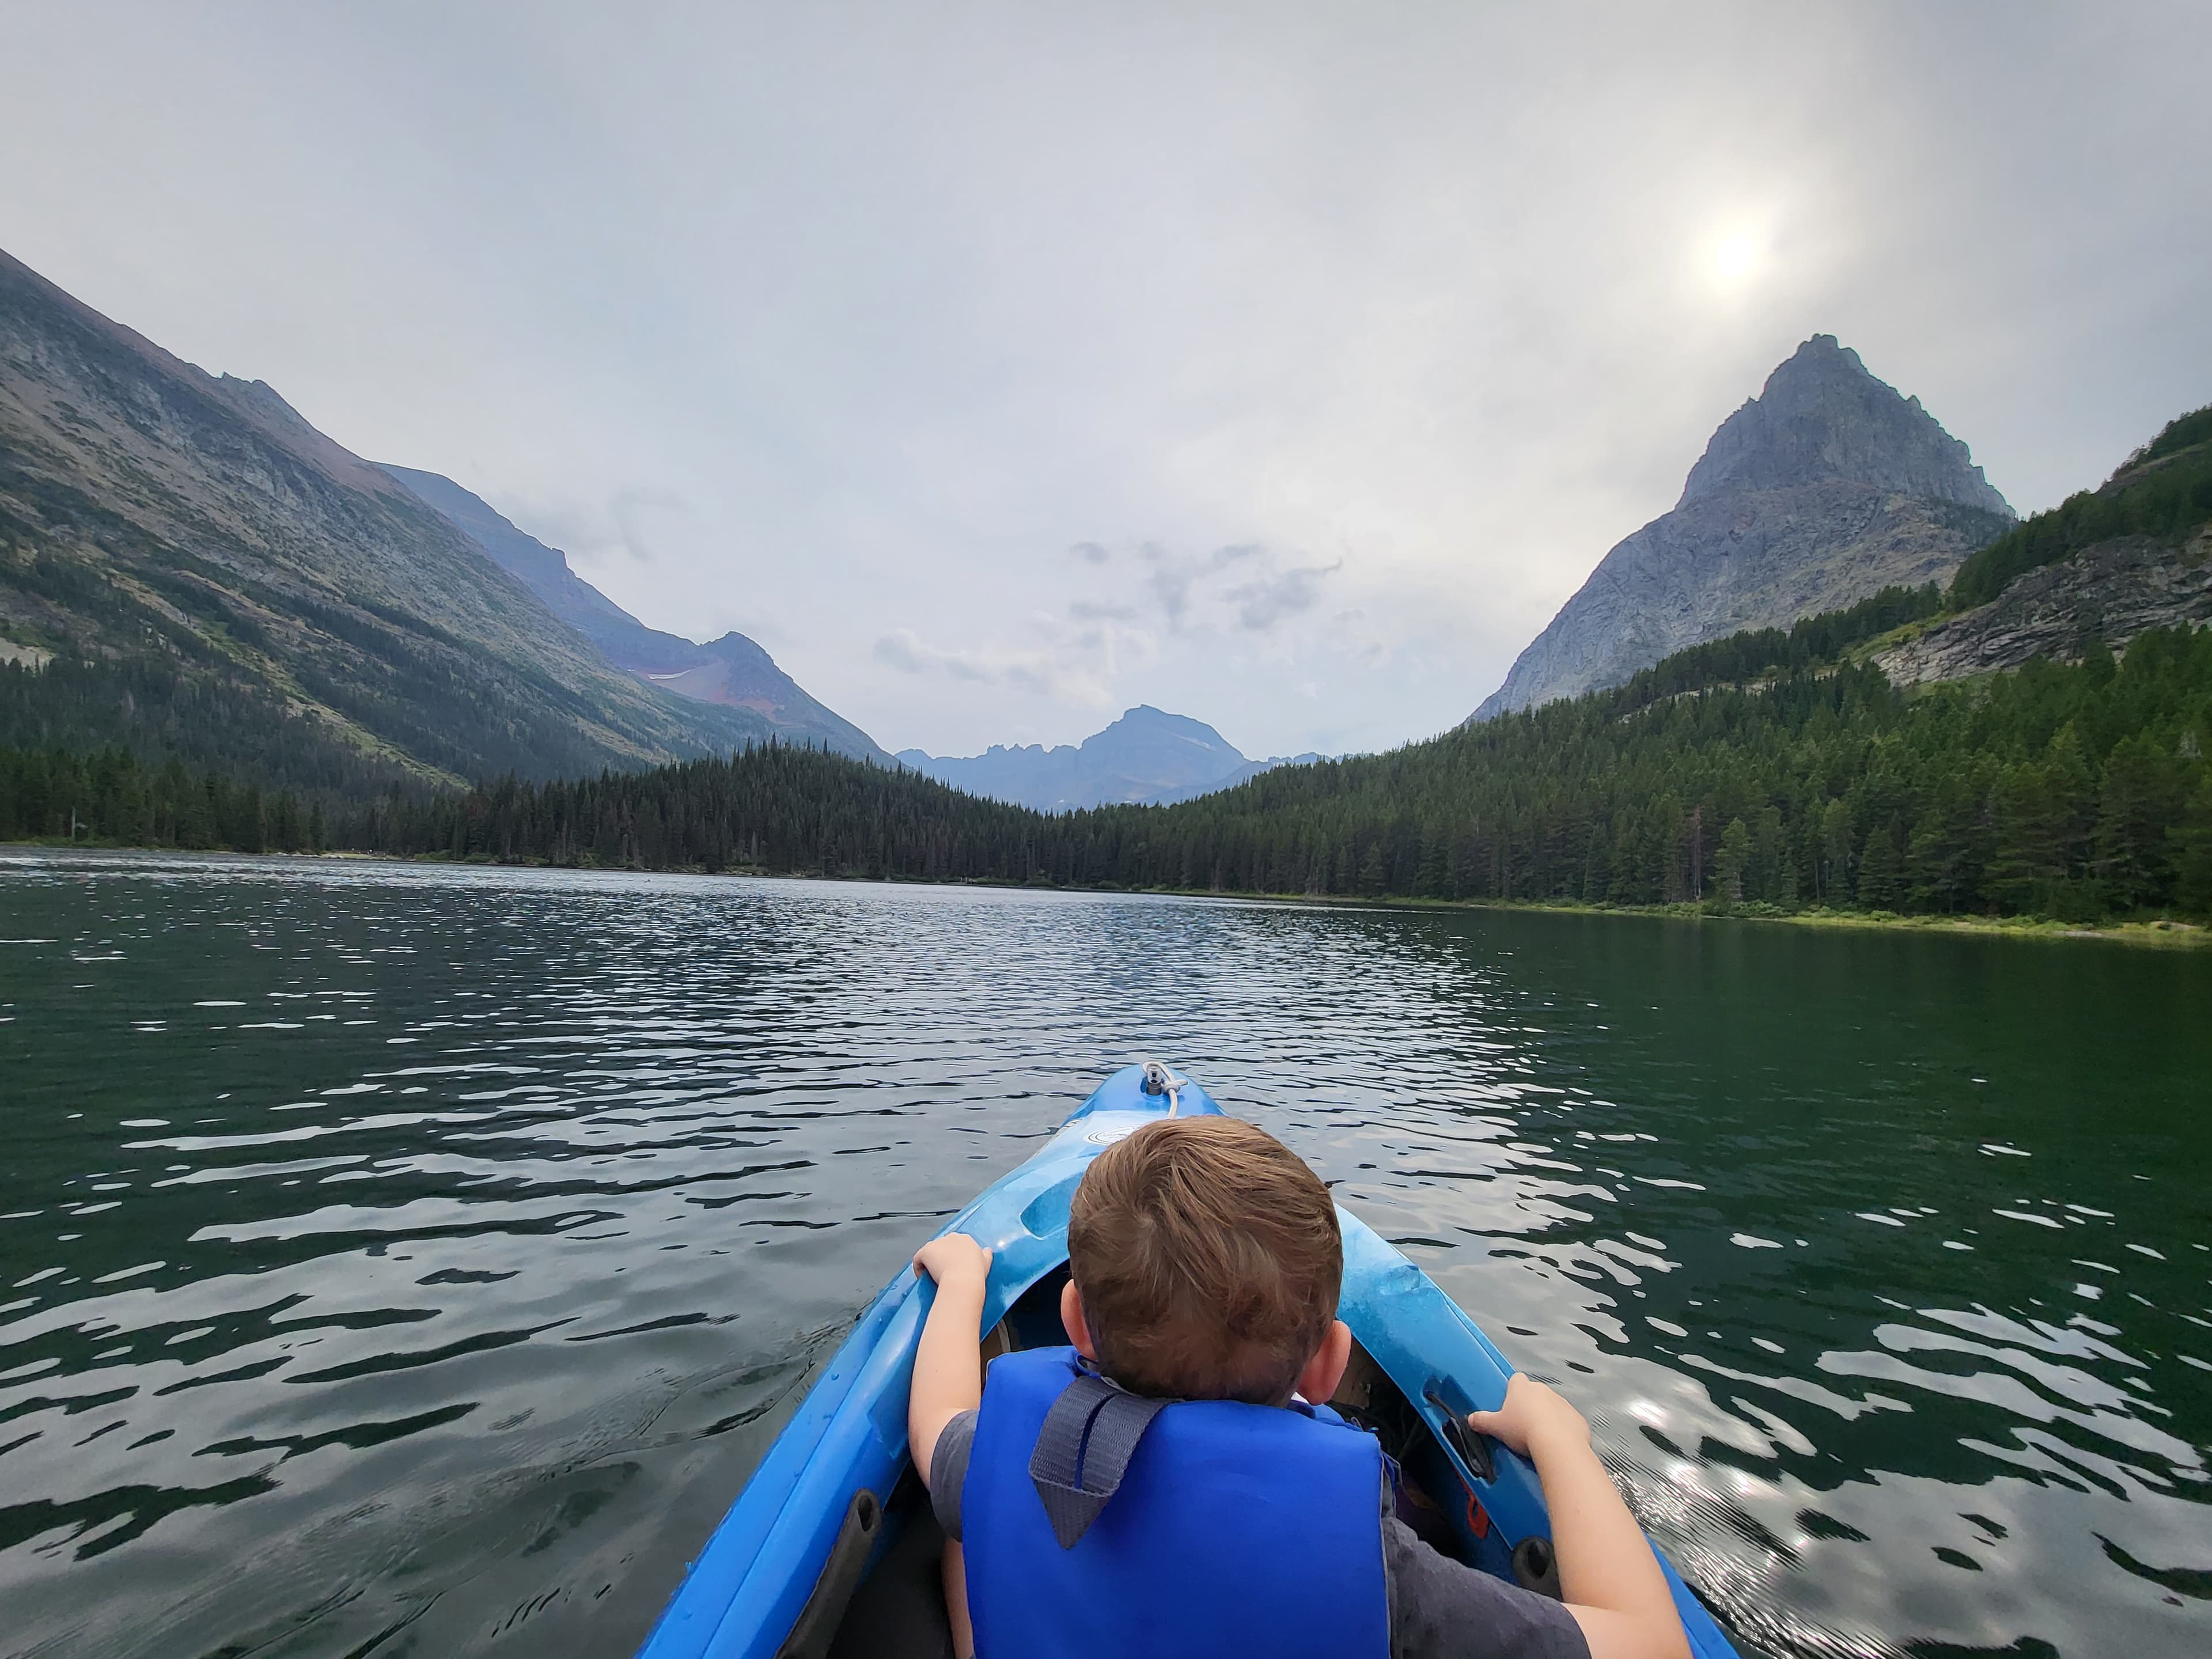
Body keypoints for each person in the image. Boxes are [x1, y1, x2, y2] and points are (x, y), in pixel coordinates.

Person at [907, 1115, 1692, 1659]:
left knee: (962, 1525)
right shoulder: (1381, 1572)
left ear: (1074, 1319)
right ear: (1328, 1368)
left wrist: (963, 1283)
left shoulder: (1008, 1458)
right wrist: (1561, 1439)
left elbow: (938, 1416)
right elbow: (1654, 1647)